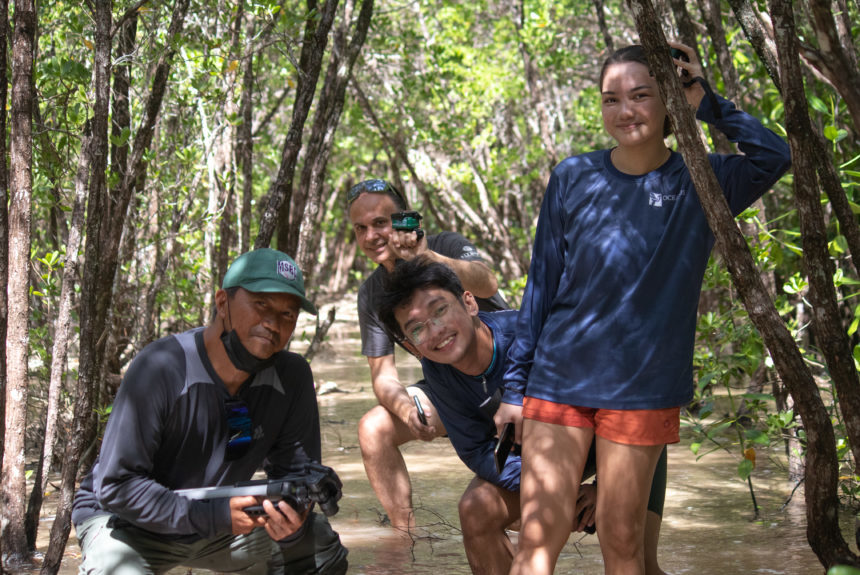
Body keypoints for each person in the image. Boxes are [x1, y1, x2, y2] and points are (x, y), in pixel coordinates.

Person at [497, 42, 791, 575]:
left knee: (622, 543)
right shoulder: (572, 177)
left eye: (641, 95)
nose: (625, 110)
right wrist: (514, 389)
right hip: (558, 377)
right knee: (537, 541)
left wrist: (707, 101)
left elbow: (775, 155)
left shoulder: (704, 181)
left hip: (643, 387)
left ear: (668, 103)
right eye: (611, 99)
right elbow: (540, 287)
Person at [377, 256, 668, 575]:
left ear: (469, 302)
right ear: (411, 345)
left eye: (440, 310)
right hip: (545, 463)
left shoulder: (535, 336)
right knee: (476, 509)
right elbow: (476, 450)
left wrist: (604, 486)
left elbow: (627, 400)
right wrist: (548, 486)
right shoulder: (438, 369)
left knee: (638, 561)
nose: (435, 331)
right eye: (417, 329)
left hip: (620, 446)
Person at [71, 248, 349, 574]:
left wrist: (295, 511)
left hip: (222, 522)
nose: (273, 323)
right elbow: (118, 487)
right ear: (222, 303)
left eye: (288, 315)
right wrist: (213, 516)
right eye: (261, 304)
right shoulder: (161, 367)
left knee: (316, 543)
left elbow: (294, 475)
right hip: (125, 521)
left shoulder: (292, 376)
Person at [347, 178, 508, 532]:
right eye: (361, 228)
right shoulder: (372, 294)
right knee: (373, 428)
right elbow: (383, 376)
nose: (372, 235)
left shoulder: (445, 245)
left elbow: (487, 283)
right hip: (451, 389)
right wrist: (406, 409)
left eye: (380, 222)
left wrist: (427, 258)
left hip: (511, 376)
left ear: (403, 219)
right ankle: (406, 539)